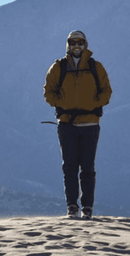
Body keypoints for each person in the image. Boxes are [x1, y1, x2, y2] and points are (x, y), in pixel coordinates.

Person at [43, 30, 112, 219]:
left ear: (85, 45)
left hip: (90, 124)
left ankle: (87, 208)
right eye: (73, 43)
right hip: (66, 124)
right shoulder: (59, 67)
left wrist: (94, 104)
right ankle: (72, 207)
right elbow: (48, 91)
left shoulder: (96, 67)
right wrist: (61, 103)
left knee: (87, 168)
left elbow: (107, 91)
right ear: (68, 45)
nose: (76, 46)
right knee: (70, 167)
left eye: (80, 43)